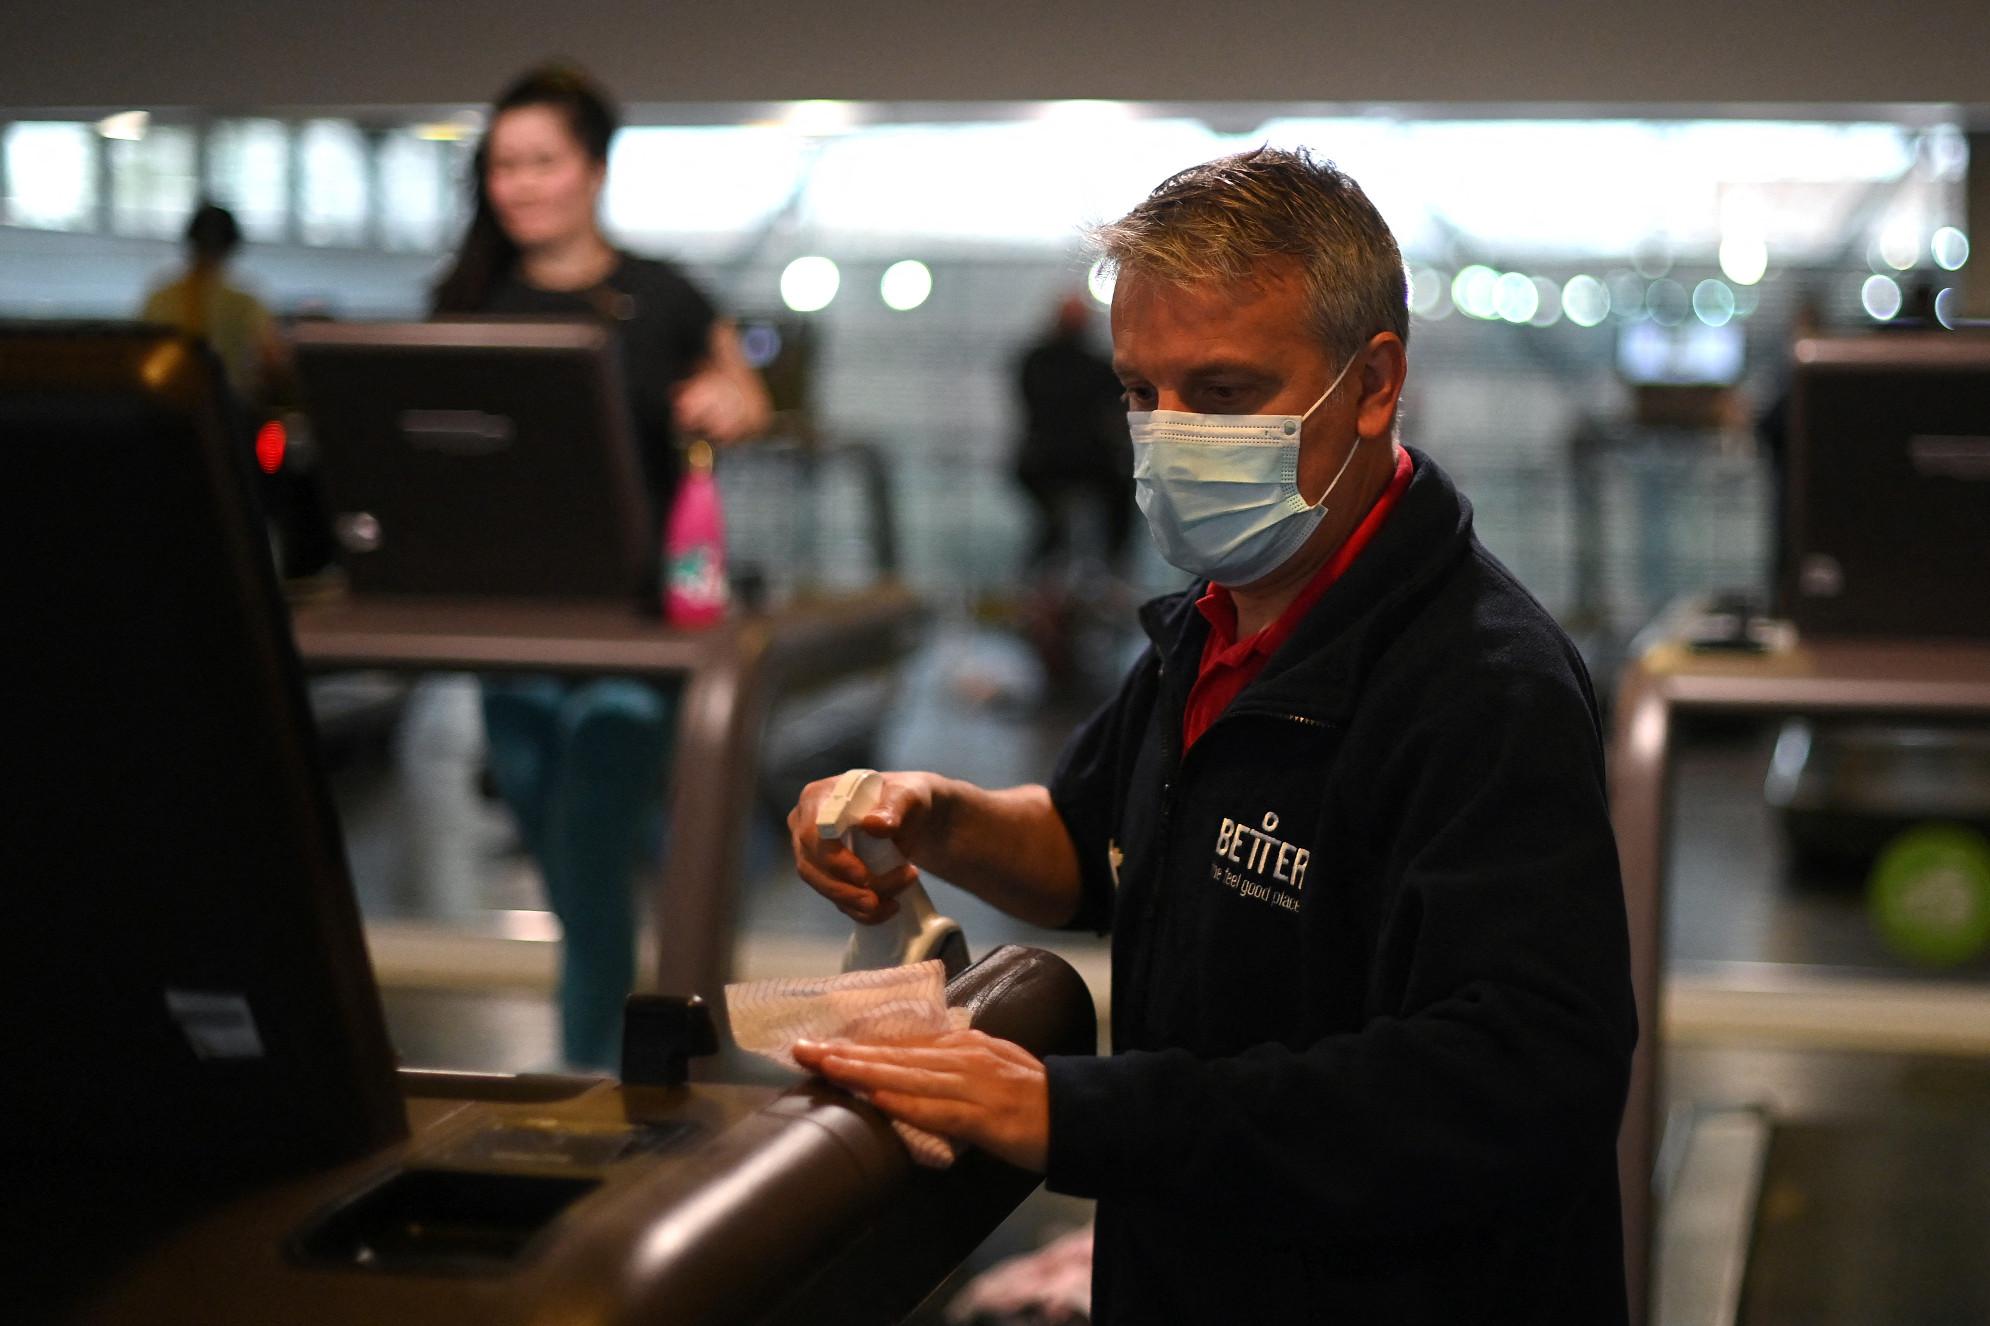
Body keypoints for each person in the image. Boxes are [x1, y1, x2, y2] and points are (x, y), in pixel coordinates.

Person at [786, 147, 1636, 1323]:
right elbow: (1094, 846)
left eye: (1224, 394)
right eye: (1141, 393)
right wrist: (933, 813)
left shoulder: (1483, 688)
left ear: (1374, 383)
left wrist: (1070, 1110)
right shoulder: (1217, 623)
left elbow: (1518, 1080)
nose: (1167, 435)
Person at [432, 64, 770, 1070]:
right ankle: (620, 1066)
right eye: (502, 167)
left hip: (638, 631)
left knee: (587, 845)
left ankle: (596, 1079)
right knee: (572, 873)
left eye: (542, 162)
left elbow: (744, 392)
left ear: (592, 169)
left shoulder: (660, 297)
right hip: (514, 632)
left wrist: (728, 404)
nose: (521, 185)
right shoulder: (470, 299)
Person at [1013, 293, 1135, 576]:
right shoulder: (1089, 365)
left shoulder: (1035, 361)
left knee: (1056, 525)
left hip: (1048, 460)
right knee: (1058, 523)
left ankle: (1094, 570)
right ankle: (1104, 569)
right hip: (1063, 461)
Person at [140, 201, 283, 405]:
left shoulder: (161, 297)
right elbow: (273, 362)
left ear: (190, 242)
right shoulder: (246, 303)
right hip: (227, 415)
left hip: (166, 410)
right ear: (232, 246)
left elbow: (139, 360)